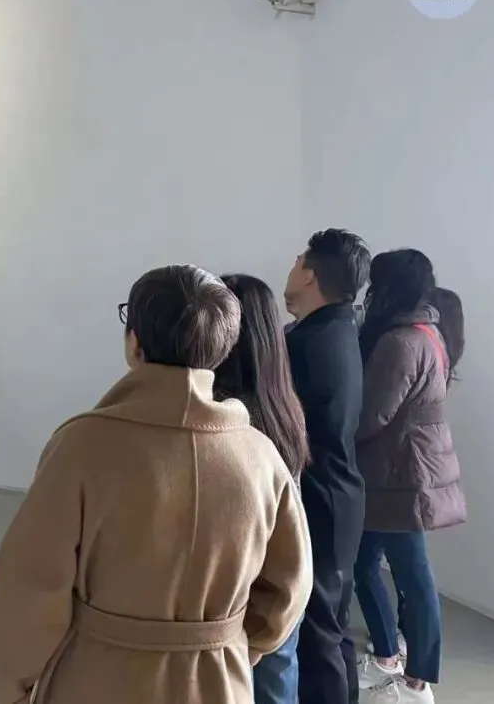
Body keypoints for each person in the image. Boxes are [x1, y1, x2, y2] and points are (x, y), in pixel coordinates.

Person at [0, 265, 313, 704]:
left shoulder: (81, 446)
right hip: (218, 681)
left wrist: (10, 690)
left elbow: (29, 589)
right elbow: (290, 585)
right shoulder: (261, 457)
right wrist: (230, 644)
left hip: (98, 678)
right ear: (221, 349)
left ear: (134, 342)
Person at [353, 255, 466, 704]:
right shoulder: (430, 332)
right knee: (369, 565)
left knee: (412, 576)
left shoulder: (400, 342)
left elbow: (371, 415)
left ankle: (417, 682)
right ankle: (388, 658)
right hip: (403, 470)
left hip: (400, 474)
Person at [283, 228, 372, 704]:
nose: (292, 268)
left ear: (309, 274)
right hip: (341, 495)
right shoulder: (340, 329)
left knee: (319, 635)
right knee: (333, 628)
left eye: (298, 261)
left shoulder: (308, 342)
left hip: (319, 497)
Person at [215, 274, 311, 704]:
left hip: (239, 583)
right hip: (282, 576)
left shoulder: (225, 412)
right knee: (277, 680)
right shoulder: (281, 402)